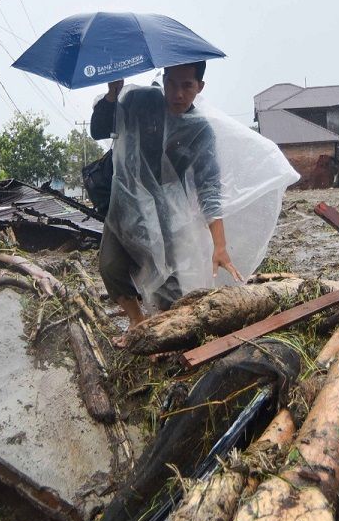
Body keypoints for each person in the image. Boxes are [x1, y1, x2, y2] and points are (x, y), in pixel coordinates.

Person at [91, 61, 242, 326]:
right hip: (125, 203)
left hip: (165, 213)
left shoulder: (199, 130)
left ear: (200, 87)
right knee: (110, 267)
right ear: (164, 80)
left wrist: (219, 245)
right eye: (172, 84)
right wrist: (112, 96)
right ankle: (137, 323)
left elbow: (209, 188)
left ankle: (168, 330)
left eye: (187, 86)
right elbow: (99, 130)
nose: (178, 94)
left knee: (165, 276)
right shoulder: (141, 102)